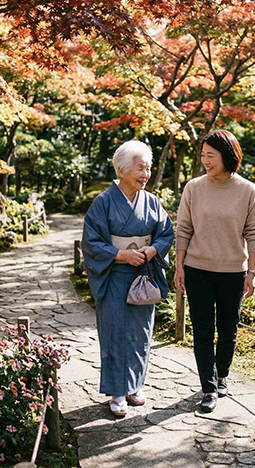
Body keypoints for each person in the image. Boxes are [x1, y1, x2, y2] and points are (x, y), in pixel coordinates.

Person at [82, 140, 174, 418]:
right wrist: (120, 254)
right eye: (140, 168)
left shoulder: (151, 201)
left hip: (143, 275)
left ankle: (135, 386)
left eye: (148, 168)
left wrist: (152, 250)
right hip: (114, 276)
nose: (146, 174)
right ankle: (117, 392)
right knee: (115, 332)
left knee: (140, 333)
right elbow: (91, 242)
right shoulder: (103, 202)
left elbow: (166, 233)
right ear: (121, 170)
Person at [173, 130, 255, 413]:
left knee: (228, 330)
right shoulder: (193, 188)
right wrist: (179, 266)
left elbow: (254, 233)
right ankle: (208, 388)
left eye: (210, 156)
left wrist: (252, 272)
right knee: (202, 331)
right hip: (197, 270)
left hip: (233, 272)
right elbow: (183, 229)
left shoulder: (247, 190)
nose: (205, 161)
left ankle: (222, 375)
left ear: (228, 156)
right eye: (203, 155)